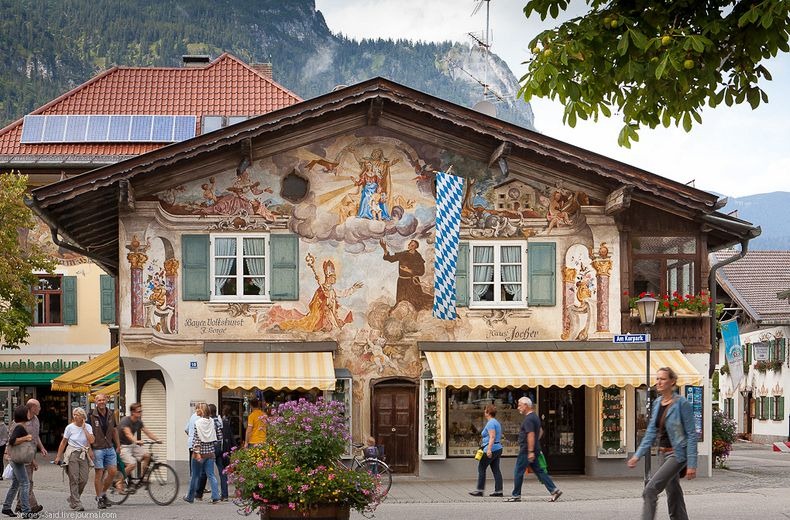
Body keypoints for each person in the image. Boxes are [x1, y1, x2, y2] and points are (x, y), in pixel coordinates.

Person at [627, 367, 698, 520]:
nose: (658, 382)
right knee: (673, 492)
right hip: (663, 453)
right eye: (657, 378)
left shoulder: (682, 403)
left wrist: (692, 464)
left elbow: (692, 434)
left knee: (650, 490)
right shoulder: (658, 402)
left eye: (663, 379)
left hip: (677, 454)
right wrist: (637, 455)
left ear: (672, 382)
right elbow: (651, 432)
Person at [506, 397, 562, 503]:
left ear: (526, 405)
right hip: (533, 449)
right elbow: (540, 431)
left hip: (526, 450)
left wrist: (530, 450)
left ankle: (516, 495)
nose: (518, 408)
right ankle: (554, 490)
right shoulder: (535, 417)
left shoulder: (528, 419)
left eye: (519, 405)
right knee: (539, 471)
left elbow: (531, 434)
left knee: (518, 471)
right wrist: (535, 444)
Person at [54, 407, 95, 512]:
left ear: (82, 416)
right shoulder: (69, 427)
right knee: (74, 478)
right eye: (74, 414)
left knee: (84, 479)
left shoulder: (88, 427)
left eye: (77, 414)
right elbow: (63, 442)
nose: (75, 416)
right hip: (72, 453)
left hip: (83, 453)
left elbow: (91, 440)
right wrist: (58, 456)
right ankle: (77, 503)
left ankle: (73, 498)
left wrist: (84, 428)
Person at [12, 399, 46, 515]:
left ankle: (19, 505)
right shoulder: (19, 422)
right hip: (22, 455)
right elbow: (12, 440)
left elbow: (36, 437)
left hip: (31, 453)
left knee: (23, 481)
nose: (40, 409)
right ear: (32, 408)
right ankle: (32, 506)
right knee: (27, 482)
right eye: (39, 407)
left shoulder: (36, 420)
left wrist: (41, 448)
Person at [380, 239, 434, 311]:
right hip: (402, 282)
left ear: (416, 247)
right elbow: (390, 259)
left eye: (412, 245)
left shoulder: (418, 257)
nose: (409, 245)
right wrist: (384, 249)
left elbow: (421, 272)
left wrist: (408, 270)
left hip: (413, 283)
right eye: (409, 244)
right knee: (402, 301)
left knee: (416, 302)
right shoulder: (403, 254)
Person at [347, 147, 399, 220]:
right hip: (367, 190)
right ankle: (367, 214)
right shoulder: (365, 173)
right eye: (374, 153)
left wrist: (380, 187)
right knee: (366, 200)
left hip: (375, 190)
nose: (375, 154)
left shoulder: (377, 171)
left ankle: (379, 217)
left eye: (378, 154)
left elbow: (380, 179)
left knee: (378, 202)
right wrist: (354, 152)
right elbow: (360, 181)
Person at [2, 406, 35, 519]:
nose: (29, 414)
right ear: (24, 414)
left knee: (16, 484)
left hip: (15, 458)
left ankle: (6, 507)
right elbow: (12, 441)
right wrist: (26, 438)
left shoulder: (18, 426)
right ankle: (26, 511)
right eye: (28, 413)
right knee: (25, 483)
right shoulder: (19, 427)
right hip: (17, 459)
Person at [183, 403, 220, 504]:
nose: (196, 410)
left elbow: (196, 439)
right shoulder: (212, 421)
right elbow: (216, 434)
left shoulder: (198, 423)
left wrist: (197, 453)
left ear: (202, 411)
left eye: (198, 409)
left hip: (200, 453)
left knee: (195, 476)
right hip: (210, 453)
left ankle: (190, 497)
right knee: (211, 475)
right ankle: (215, 496)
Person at [89, 393, 121, 509]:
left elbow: (114, 430)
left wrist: (118, 445)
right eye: (99, 400)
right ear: (95, 402)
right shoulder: (90, 415)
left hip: (109, 447)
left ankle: (102, 493)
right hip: (97, 448)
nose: (101, 402)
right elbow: (87, 434)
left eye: (103, 400)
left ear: (107, 400)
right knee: (99, 473)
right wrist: (89, 449)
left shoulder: (112, 414)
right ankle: (99, 498)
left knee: (113, 471)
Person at [119, 402, 160, 488]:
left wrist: (157, 439)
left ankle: (142, 478)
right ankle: (120, 482)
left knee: (147, 456)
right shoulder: (125, 421)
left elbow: (147, 432)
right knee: (132, 464)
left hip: (132, 445)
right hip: (123, 446)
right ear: (133, 412)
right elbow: (128, 434)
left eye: (141, 411)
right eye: (139, 411)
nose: (141, 413)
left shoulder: (138, 422)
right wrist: (136, 441)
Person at [469, 404, 503, 497]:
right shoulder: (496, 422)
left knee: (481, 468)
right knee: (496, 470)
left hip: (491, 448)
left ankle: (480, 490)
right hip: (498, 448)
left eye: (485, 411)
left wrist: (488, 450)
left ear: (488, 412)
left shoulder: (491, 423)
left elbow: (492, 437)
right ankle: (499, 491)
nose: (484, 413)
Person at [196, 404, 226, 502]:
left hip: (203, 450)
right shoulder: (217, 421)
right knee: (216, 473)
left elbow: (196, 438)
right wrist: (217, 444)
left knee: (201, 473)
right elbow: (220, 436)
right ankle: (220, 495)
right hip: (213, 449)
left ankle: (197, 494)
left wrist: (196, 451)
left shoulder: (198, 422)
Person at [0, 417, 8, 481]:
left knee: (0, 459)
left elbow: (5, 437)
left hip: (1, 445)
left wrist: (2, 443)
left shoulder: (3, 426)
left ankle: (1, 474)